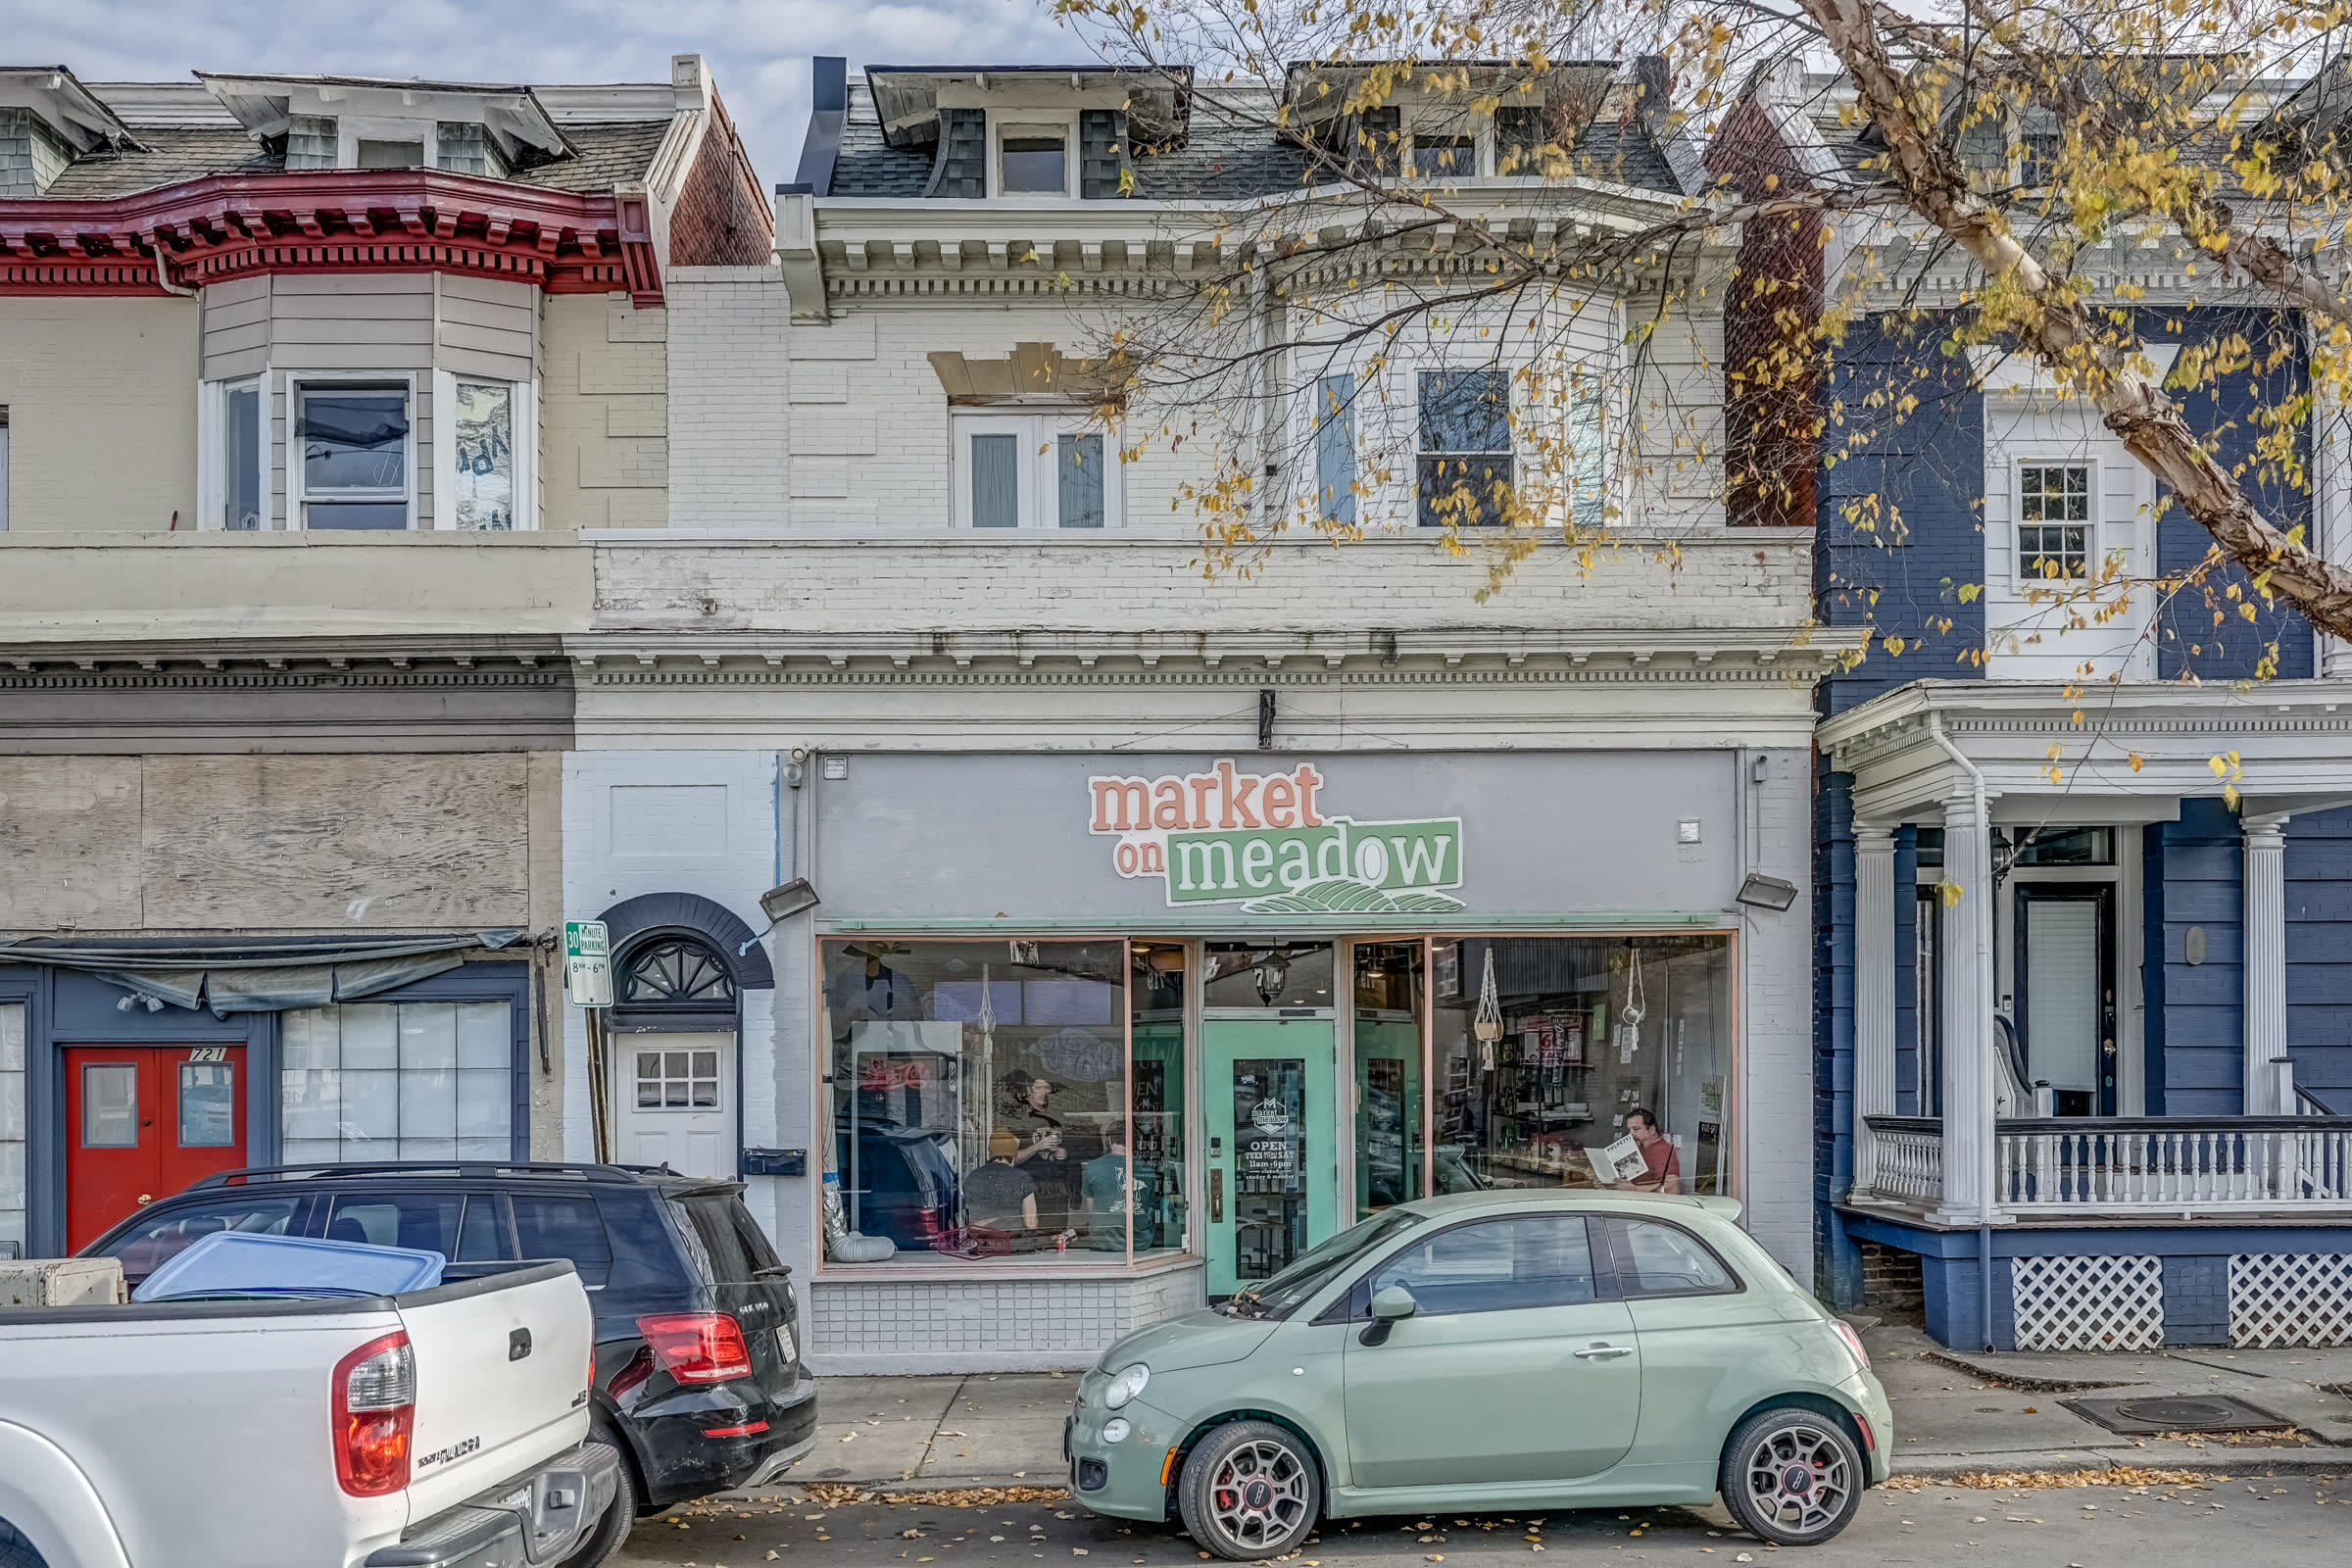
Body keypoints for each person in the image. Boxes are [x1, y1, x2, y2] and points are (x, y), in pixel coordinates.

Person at [1002, 1069, 1081, 1230]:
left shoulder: (1059, 1118)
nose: (1043, 1092)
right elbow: (1010, 1159)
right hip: (1030, 1189)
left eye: (1047, 1088)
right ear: (1029, 1090)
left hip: (1058, 1189)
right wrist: (1037, 1147)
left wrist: (1065, 1153)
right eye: (1038, 1088)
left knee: (1056, 1233)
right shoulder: (1019, 1120)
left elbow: (1079, 1151)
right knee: (1033, 1234)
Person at [1082, 1127, 1159, 1252]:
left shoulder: (1092, 1167)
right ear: (1134, 1141)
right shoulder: (1147, 1169)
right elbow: (1148, 1208)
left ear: (1109, 1139)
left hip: (1104, 1242)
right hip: (1139, 1242)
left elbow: (1091, 1208)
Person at [1614, 1107, 1682, 1195]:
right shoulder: (1641, 1148)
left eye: (1636, 1129)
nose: (1631, 1134)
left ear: (1652, 1130)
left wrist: (1635, 1189)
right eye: (1629, 1130)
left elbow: (1672, 1187)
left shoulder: (1662, 1150)